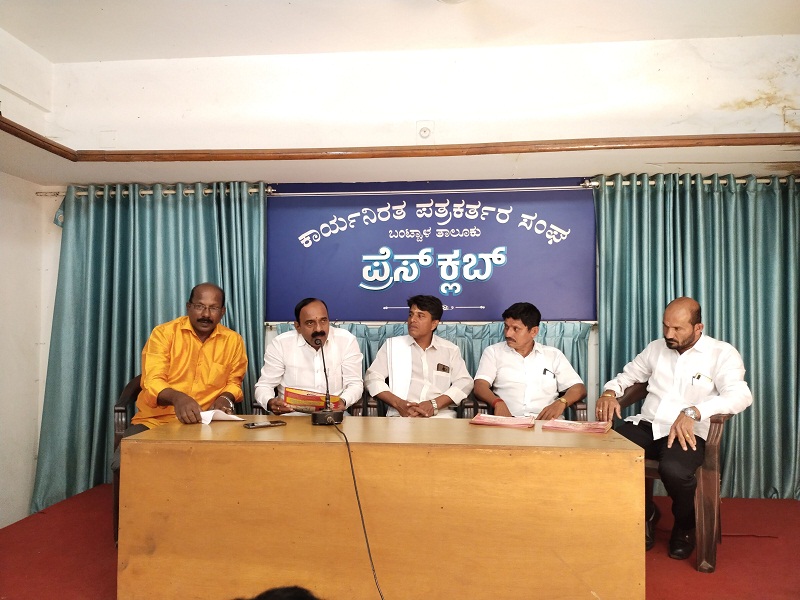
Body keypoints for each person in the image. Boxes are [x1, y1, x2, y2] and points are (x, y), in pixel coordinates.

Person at [596, 296, 753, 559]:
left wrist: (695, 411)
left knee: (675, 471)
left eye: (677, 328)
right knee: (603, 453)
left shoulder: (722, 353)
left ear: (698, 328)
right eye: (665, 326)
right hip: (648, 425)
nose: (669, 334)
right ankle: (646, 514)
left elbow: (741, 395)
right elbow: (627, 376)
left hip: (688, 432)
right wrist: (610, 392)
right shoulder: (656, 348)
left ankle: (685, 524)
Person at [112, 283, 248, 469]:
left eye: (213, 308)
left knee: (239, 464)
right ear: (188, 307)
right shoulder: (163, 334)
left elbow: (234, 382)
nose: (206, 314)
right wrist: (178, 398)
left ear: (222, 312)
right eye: (199, 306)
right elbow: (152, 381)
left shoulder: (233, 341)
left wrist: (225, 397)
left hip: (206, 425)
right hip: (155, 423)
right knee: (128, 464)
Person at [364, 295, 473, 417]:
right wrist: (398, 403)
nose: (412, 320)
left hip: (440, 416)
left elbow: (464, 382)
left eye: (420, 316)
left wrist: (434, 404)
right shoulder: (392, 346)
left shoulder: (450, 350)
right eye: (411, 314)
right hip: (401, 415)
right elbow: (372, 378)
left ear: (434, 324)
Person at [473, 302, 586, 419]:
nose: (508, 333)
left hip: (546, 422)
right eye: (506, 327)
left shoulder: (553, 355)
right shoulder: (493, 352)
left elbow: (578, 388)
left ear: (533, 331)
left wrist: (561, 402)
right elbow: (480, 386)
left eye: (516, 329)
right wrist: (497, 402)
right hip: (508, 421)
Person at [254, 298, 363, 414]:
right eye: (310, 323)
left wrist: (343, 401)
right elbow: (264, 385)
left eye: (323, 321)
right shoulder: (281, 344)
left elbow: (355, 384)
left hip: (333, 414)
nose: (319, 329)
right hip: (291, 415)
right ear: (298, 326)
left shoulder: (346, 341)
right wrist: (270, 402)